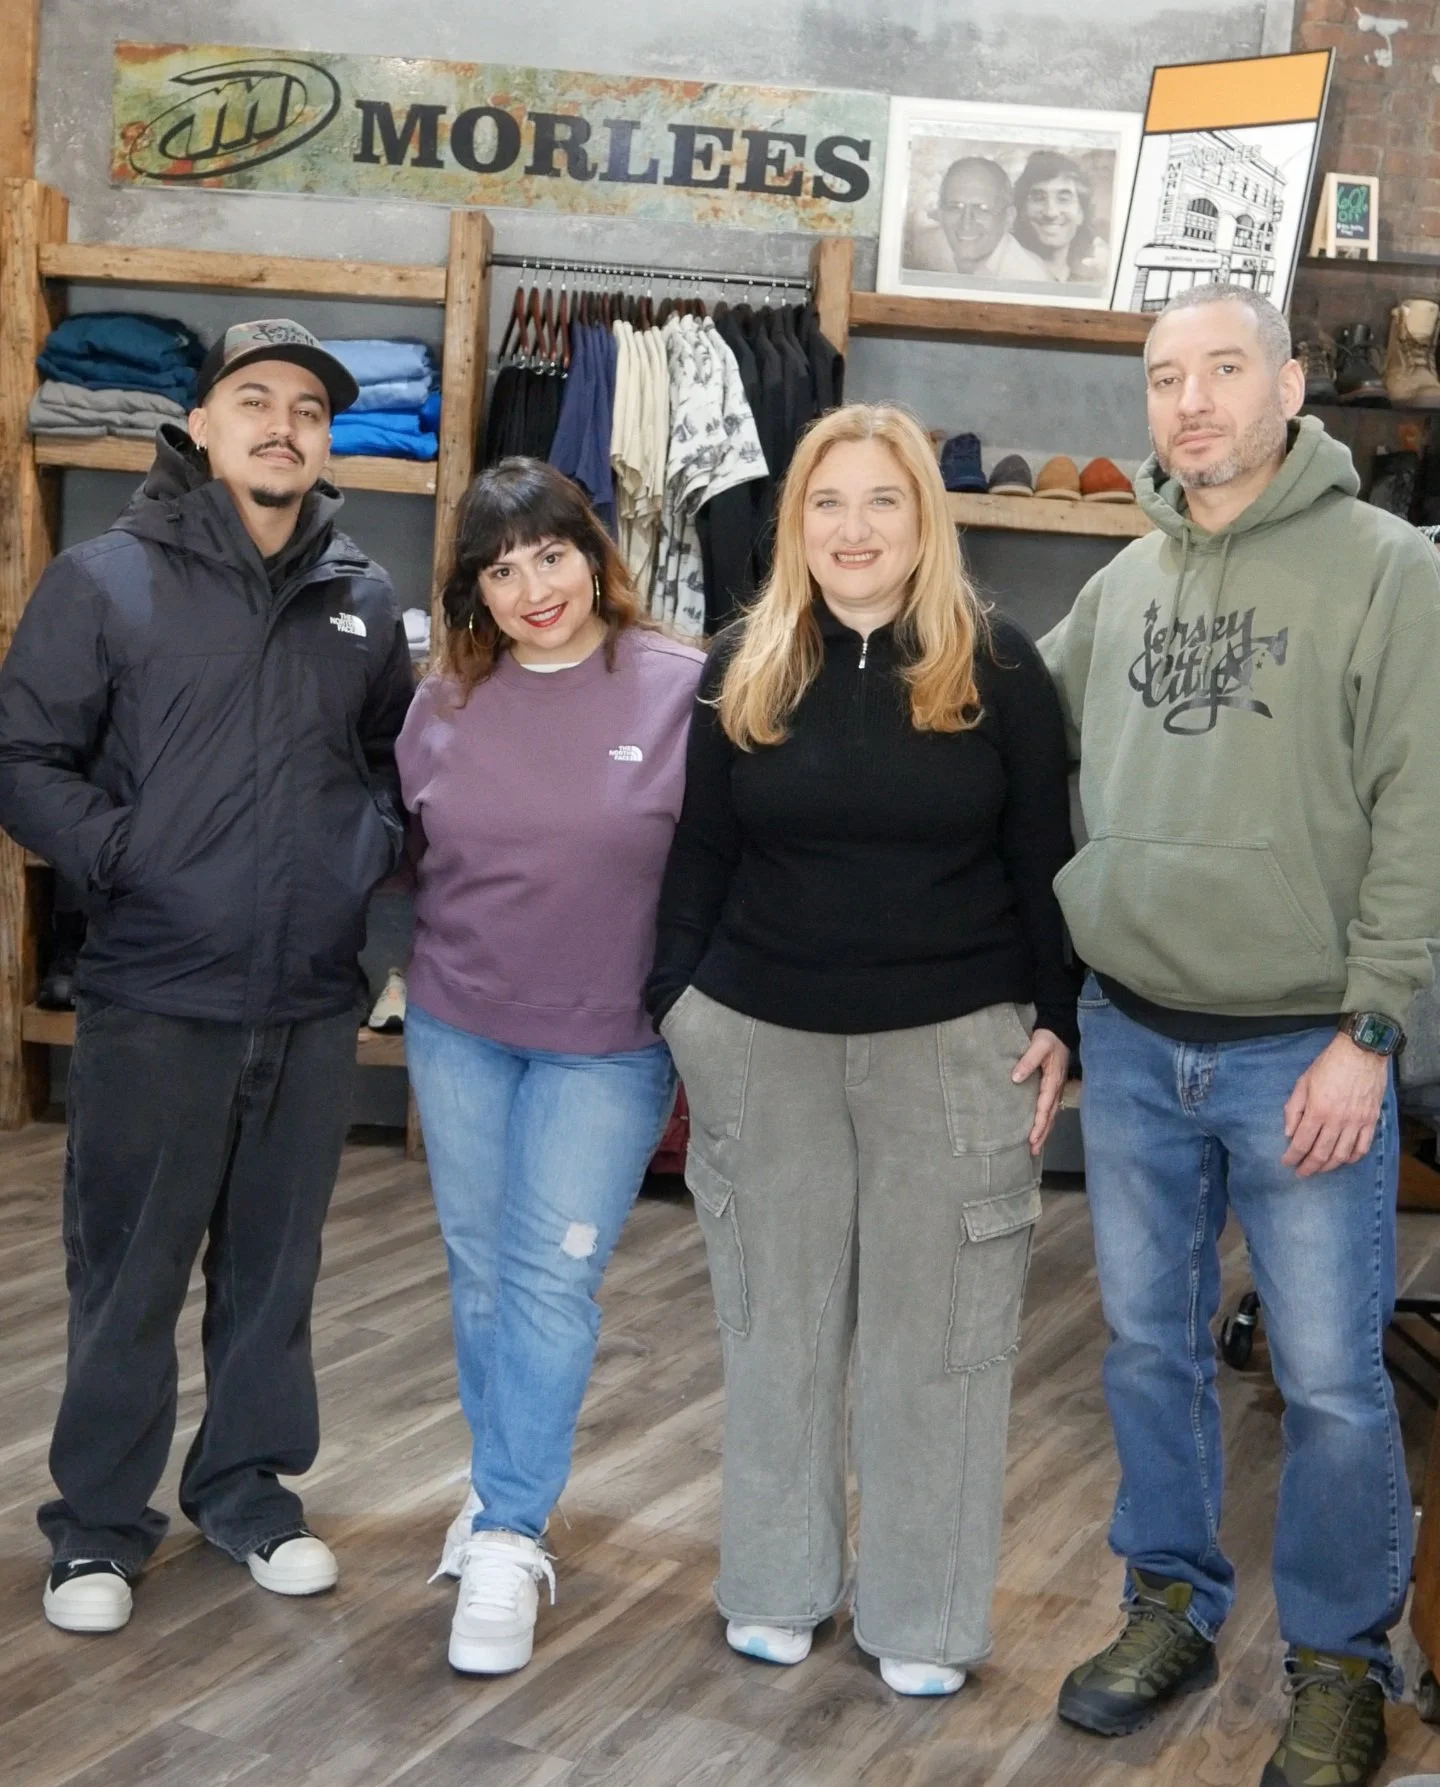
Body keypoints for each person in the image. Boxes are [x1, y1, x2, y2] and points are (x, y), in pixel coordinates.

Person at [1040, 284, 1440, 1787]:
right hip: (1133, 1032)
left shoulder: (1391, 570)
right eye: (1161, 378)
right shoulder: (1128, 581)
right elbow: (1019, 728)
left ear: (1287, 384)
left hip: (1303, 1051)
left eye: (1221, 369)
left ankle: (1342, 1659)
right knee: (1149, 1349)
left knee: (1333, 1378)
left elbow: (1422, 817)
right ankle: (1168, 1605)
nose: (1189, 401)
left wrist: (1373, 1026)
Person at [647, 402, 1078, 1696]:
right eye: (828, 503)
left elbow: (1042, 860)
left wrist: (1054, 1019)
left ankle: (924, 1613)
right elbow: (700, 856)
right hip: (761, 1042)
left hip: (951, 1050)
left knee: (936, 1346)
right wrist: (680, 1004)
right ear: (797, 526)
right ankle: (776, 1583)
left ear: (922, 520)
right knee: (776, 1332)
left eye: (881, 500)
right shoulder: (744, 664)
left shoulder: (998, 669)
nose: (853, 528)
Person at [0, 318, 413, 1633]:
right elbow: (23, 760)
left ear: (325, 437)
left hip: (305, 1001)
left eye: (307, 405)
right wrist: (129, 852)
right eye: (255, 398)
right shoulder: (104, 580)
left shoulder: (366, 595)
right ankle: (99, 1528)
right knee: (128, 1274)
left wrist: (364, 856)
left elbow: (401, 768)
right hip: (152, 995)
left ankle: (248, 1491)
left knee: (274, 1272)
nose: (283, 422)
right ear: (199, 425)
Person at [398, 457, 703, 1676]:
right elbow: (405, 855)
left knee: (546, 1283)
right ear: (474, 588)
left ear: (596, 551)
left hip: (610, 1045)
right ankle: (496, 1492)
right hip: (458, 1022)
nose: (533, 586)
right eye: (501, 566)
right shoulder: (444, 702)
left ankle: (512, 1533)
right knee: (481, 1273)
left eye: (552, 553)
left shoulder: (685, 687)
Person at [933, 156, 1050, 283]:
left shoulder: (1030, 279)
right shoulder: (926, 253)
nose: (966, 224)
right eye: (955, 207)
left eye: (982, 209)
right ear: (940, 214)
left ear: (1008, 218)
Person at [1012, 151, 1107, 285]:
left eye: (1064, 199)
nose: (1051, 213)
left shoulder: (1091, 284)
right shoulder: (1004, 277)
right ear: (1021, 210)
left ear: (1081, 214)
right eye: (1039, 198)